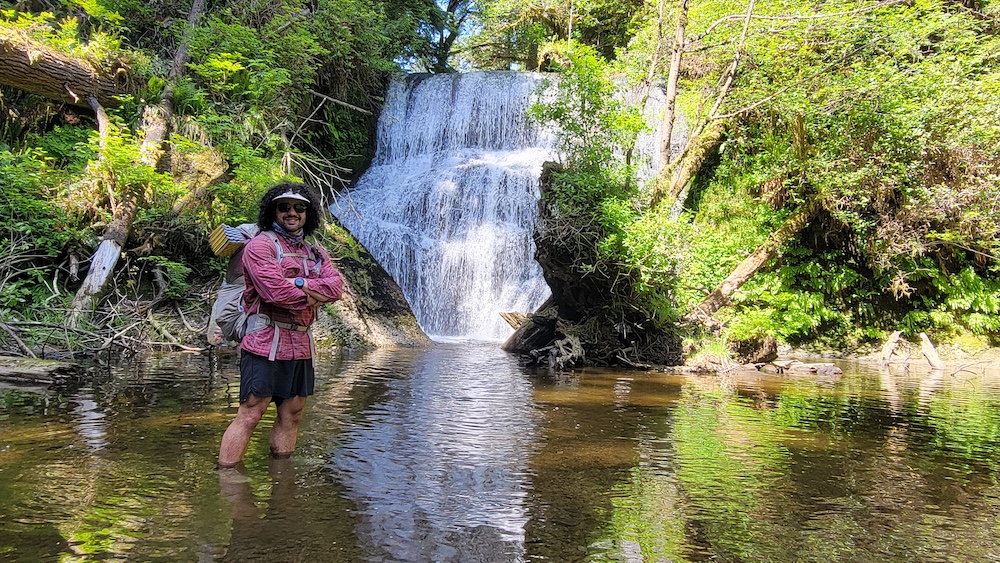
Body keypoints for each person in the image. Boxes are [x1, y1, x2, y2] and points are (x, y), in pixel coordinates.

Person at [218, 182, 343, 468]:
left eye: (299, 207)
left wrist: (298, 283)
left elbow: (336, 288)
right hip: (265, 339)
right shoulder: (260, 245)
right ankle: (228, 480)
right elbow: (275, 292)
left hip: (301, 344)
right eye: (284, 206)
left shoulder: (316, 252)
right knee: (251, 413)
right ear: (272, 210)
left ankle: (282, 479)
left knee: (294, 413)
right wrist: (313, 292)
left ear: (307, 214)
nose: (292, 212)